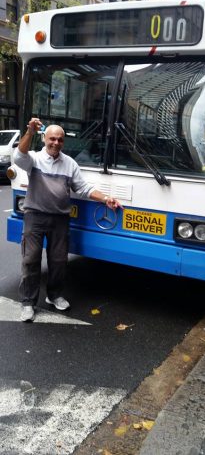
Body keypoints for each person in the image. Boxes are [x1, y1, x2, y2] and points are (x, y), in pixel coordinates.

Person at [14, 118, 122, 322]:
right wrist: (29, 131)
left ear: (64, 142)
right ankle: (28, 303)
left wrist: (106, 198)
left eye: (60, 140)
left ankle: (54, 296)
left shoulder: (69, 163)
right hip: (35, 217)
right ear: (44, 139)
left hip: (60, 219)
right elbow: (19, 156)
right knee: (30, 260)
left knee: (58, 261)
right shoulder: (34, 159)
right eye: (52, 139)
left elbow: (83, 188)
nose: (56, 143)